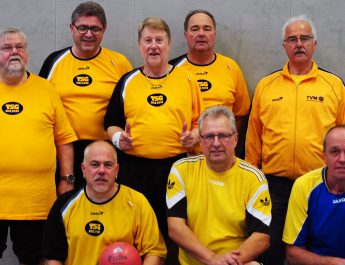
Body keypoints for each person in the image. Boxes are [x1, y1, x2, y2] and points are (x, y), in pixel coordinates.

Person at [245, 15, 345, 265]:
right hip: (274, 186)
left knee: (313, 250)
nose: (299, 43)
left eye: (304, 38)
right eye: (292, 39)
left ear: (314, 44)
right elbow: (254, 136)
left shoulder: (334, 85)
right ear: (284, 46)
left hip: (320, 185)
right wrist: (250, 176)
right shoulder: (267, 86)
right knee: (272, 247)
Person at [104, 17, 203, 264]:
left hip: (176, 168)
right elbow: (110, 123)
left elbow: (200, 122)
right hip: (134, 170)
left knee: (175, 229)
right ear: (139, 45)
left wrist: (194, 136)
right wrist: (118, 139)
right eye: (148, 40)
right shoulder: (128, 81)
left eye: (159, 40)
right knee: (136, 230)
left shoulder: (188, 79)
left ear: (169, 44)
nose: (153, 46)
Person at [0, 28, 77, 265]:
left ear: (27, 53)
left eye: (20, 47)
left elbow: (63, 139)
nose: (15, 52)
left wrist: (67, 179)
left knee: (34, 259)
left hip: (36, 199)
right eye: (7, 47)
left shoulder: (46, 89)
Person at [39, 1, 132, 190]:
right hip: (64, 153)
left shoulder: (119, 63)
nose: (89, 34)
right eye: (83, 28)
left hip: (106, 153)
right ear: (72, 28)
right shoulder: (54, 62)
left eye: (95, 29)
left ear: (103, 30)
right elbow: (39, 105)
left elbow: (132, 106)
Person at [167, 106, 271, 265]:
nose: (216, 143)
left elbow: (262, 237)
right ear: (200, 141)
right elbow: (175, 227)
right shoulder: (181, 170)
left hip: (236, 261)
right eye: (209, 137)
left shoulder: (254, 177)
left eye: (223, 136)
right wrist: (213, 259)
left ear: (235, 139)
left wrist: (227, 263)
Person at [41, 140, 166, 265]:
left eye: (108, 165)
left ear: (116, 170)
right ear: (83, 169)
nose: (101, 171)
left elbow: (154, 252)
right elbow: (53, 257)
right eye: (95, 164)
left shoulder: (137, 201)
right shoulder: (64, 205)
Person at [170, 9, 250, 157]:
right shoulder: (171, 71)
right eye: (195, 29)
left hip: (222, 156)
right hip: (184, 157)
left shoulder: (230, 67)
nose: (201, 33)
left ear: (214, 34)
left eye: (207, 29)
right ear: (185, 35)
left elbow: (240, 115)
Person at [283, 125, 345, 264]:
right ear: (324, 156)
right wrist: (329, 263)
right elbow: (293, 253)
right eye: (334, 151)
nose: (342, 159)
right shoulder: (304, 186)